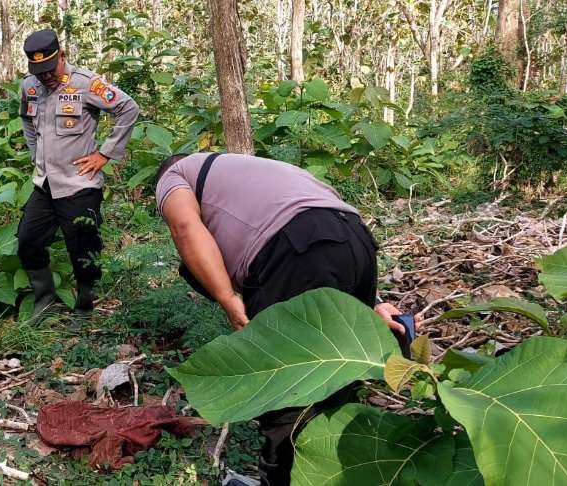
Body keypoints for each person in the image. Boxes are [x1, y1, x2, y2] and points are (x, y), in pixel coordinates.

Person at [154, 152, 412, 485]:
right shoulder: (253, 169)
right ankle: (332, 470)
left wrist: (227, 297)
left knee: (283, 382)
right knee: (341, 369)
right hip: (356, 241)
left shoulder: (174, 174)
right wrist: (373, 302)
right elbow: (326, 226)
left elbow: (185, 227)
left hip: (292, 251)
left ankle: (281, 479)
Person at [16, 29, 140, 315]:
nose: (45, 77)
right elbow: (26, 120)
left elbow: (128, 108)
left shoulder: (86, 84)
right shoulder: (30, 87)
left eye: (49, 69)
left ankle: (85, 307)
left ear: (61, 56)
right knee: (28, 241)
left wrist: (105, 153)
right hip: (45, 184)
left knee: (83, 249)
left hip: (79, 185)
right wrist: (36, 155)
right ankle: (45, 301)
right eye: (39, 71)